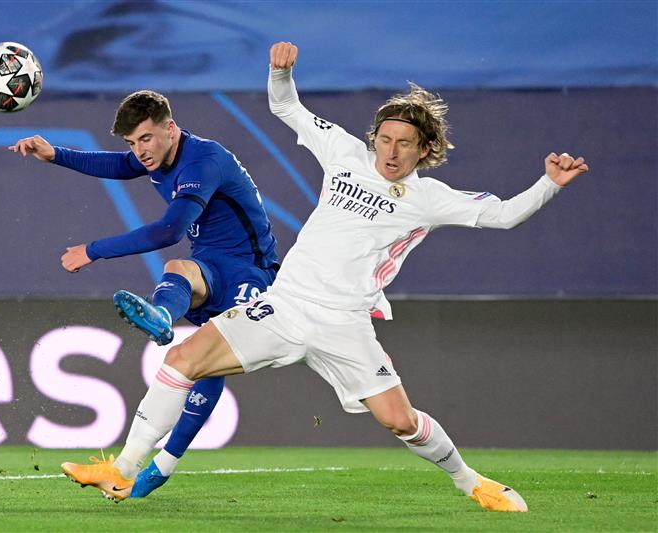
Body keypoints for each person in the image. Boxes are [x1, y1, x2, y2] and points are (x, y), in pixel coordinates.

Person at [60, 41, 589, 511]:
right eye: (384, 139)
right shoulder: (344, 152)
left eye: (404, 143)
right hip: (285, 303)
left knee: (399, 422)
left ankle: (471, 481)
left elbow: (504, 214)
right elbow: (285, 106)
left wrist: (549, 184)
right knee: (181, 359)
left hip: (344, 323)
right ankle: (124, 467)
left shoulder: (431, 198)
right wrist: (280, 72)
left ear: (424, 150)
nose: (391, 150)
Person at [8, 90, 280, 497]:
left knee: (206, 358)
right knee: (183, 291)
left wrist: (93, 251)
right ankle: (162, 321)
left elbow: (169, 231)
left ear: (170, 128)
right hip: (209, 265)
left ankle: (153, 459)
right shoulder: (157, 154)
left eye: (146, 139)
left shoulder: (204, 162)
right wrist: (55, 155)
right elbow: (119, 164)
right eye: (132, 143)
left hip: (252, 274)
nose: (140, 152)